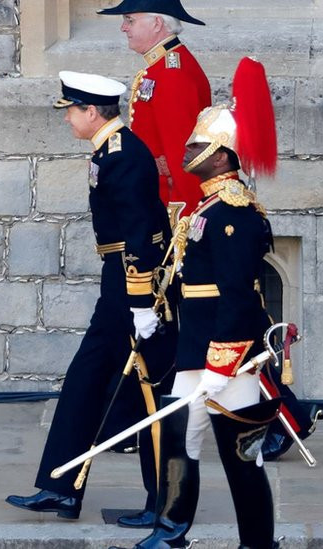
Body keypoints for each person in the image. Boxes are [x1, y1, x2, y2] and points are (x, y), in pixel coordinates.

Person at [119, 57, 283, 549]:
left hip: (226, 352)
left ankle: (257, 543)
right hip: (197, 345)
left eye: (196, 144)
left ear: (221, 155)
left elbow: (239, 294)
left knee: (240, 455)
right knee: (178, 437)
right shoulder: (209, 206)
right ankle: (170, 531)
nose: (187, 149)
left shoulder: (235, 211)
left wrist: (223, 361)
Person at [6, 72, 177, 522]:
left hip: (130, 284)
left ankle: (164, 502)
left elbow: (142, 229)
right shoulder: (109, 150)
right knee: (87, 380)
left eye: (71, 111)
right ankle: (62, 487)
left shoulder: (122, 155)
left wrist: (141, 303)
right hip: (118, 281)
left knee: (150, 392)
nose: (67, 119)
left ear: (91, 111)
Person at [98, 0, 211, 223]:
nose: (124, 28)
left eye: (130, 20)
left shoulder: (172, 73)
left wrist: (183, 216)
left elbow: (183, 155)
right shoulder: (161, 67)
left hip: (170, 202)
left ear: (157, 23)